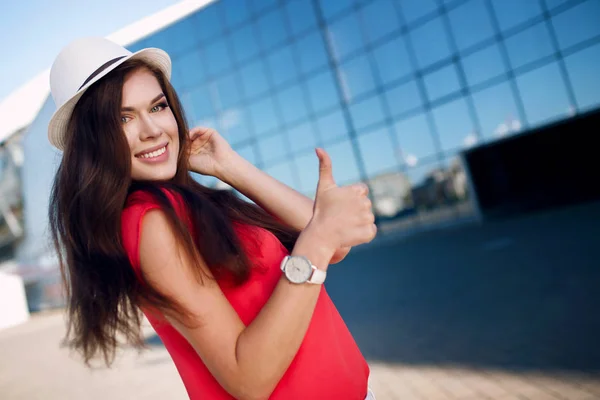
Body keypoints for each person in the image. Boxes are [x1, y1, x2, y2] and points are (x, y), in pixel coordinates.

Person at [48, 37, 377, 400]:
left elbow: (335, 244)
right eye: (123, 118)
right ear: (92, 142)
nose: (152, 130)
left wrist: (229, 167)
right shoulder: (149, 223)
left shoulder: (190, 205)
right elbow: (248, 379)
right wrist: (315, 245)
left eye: (157, 107)